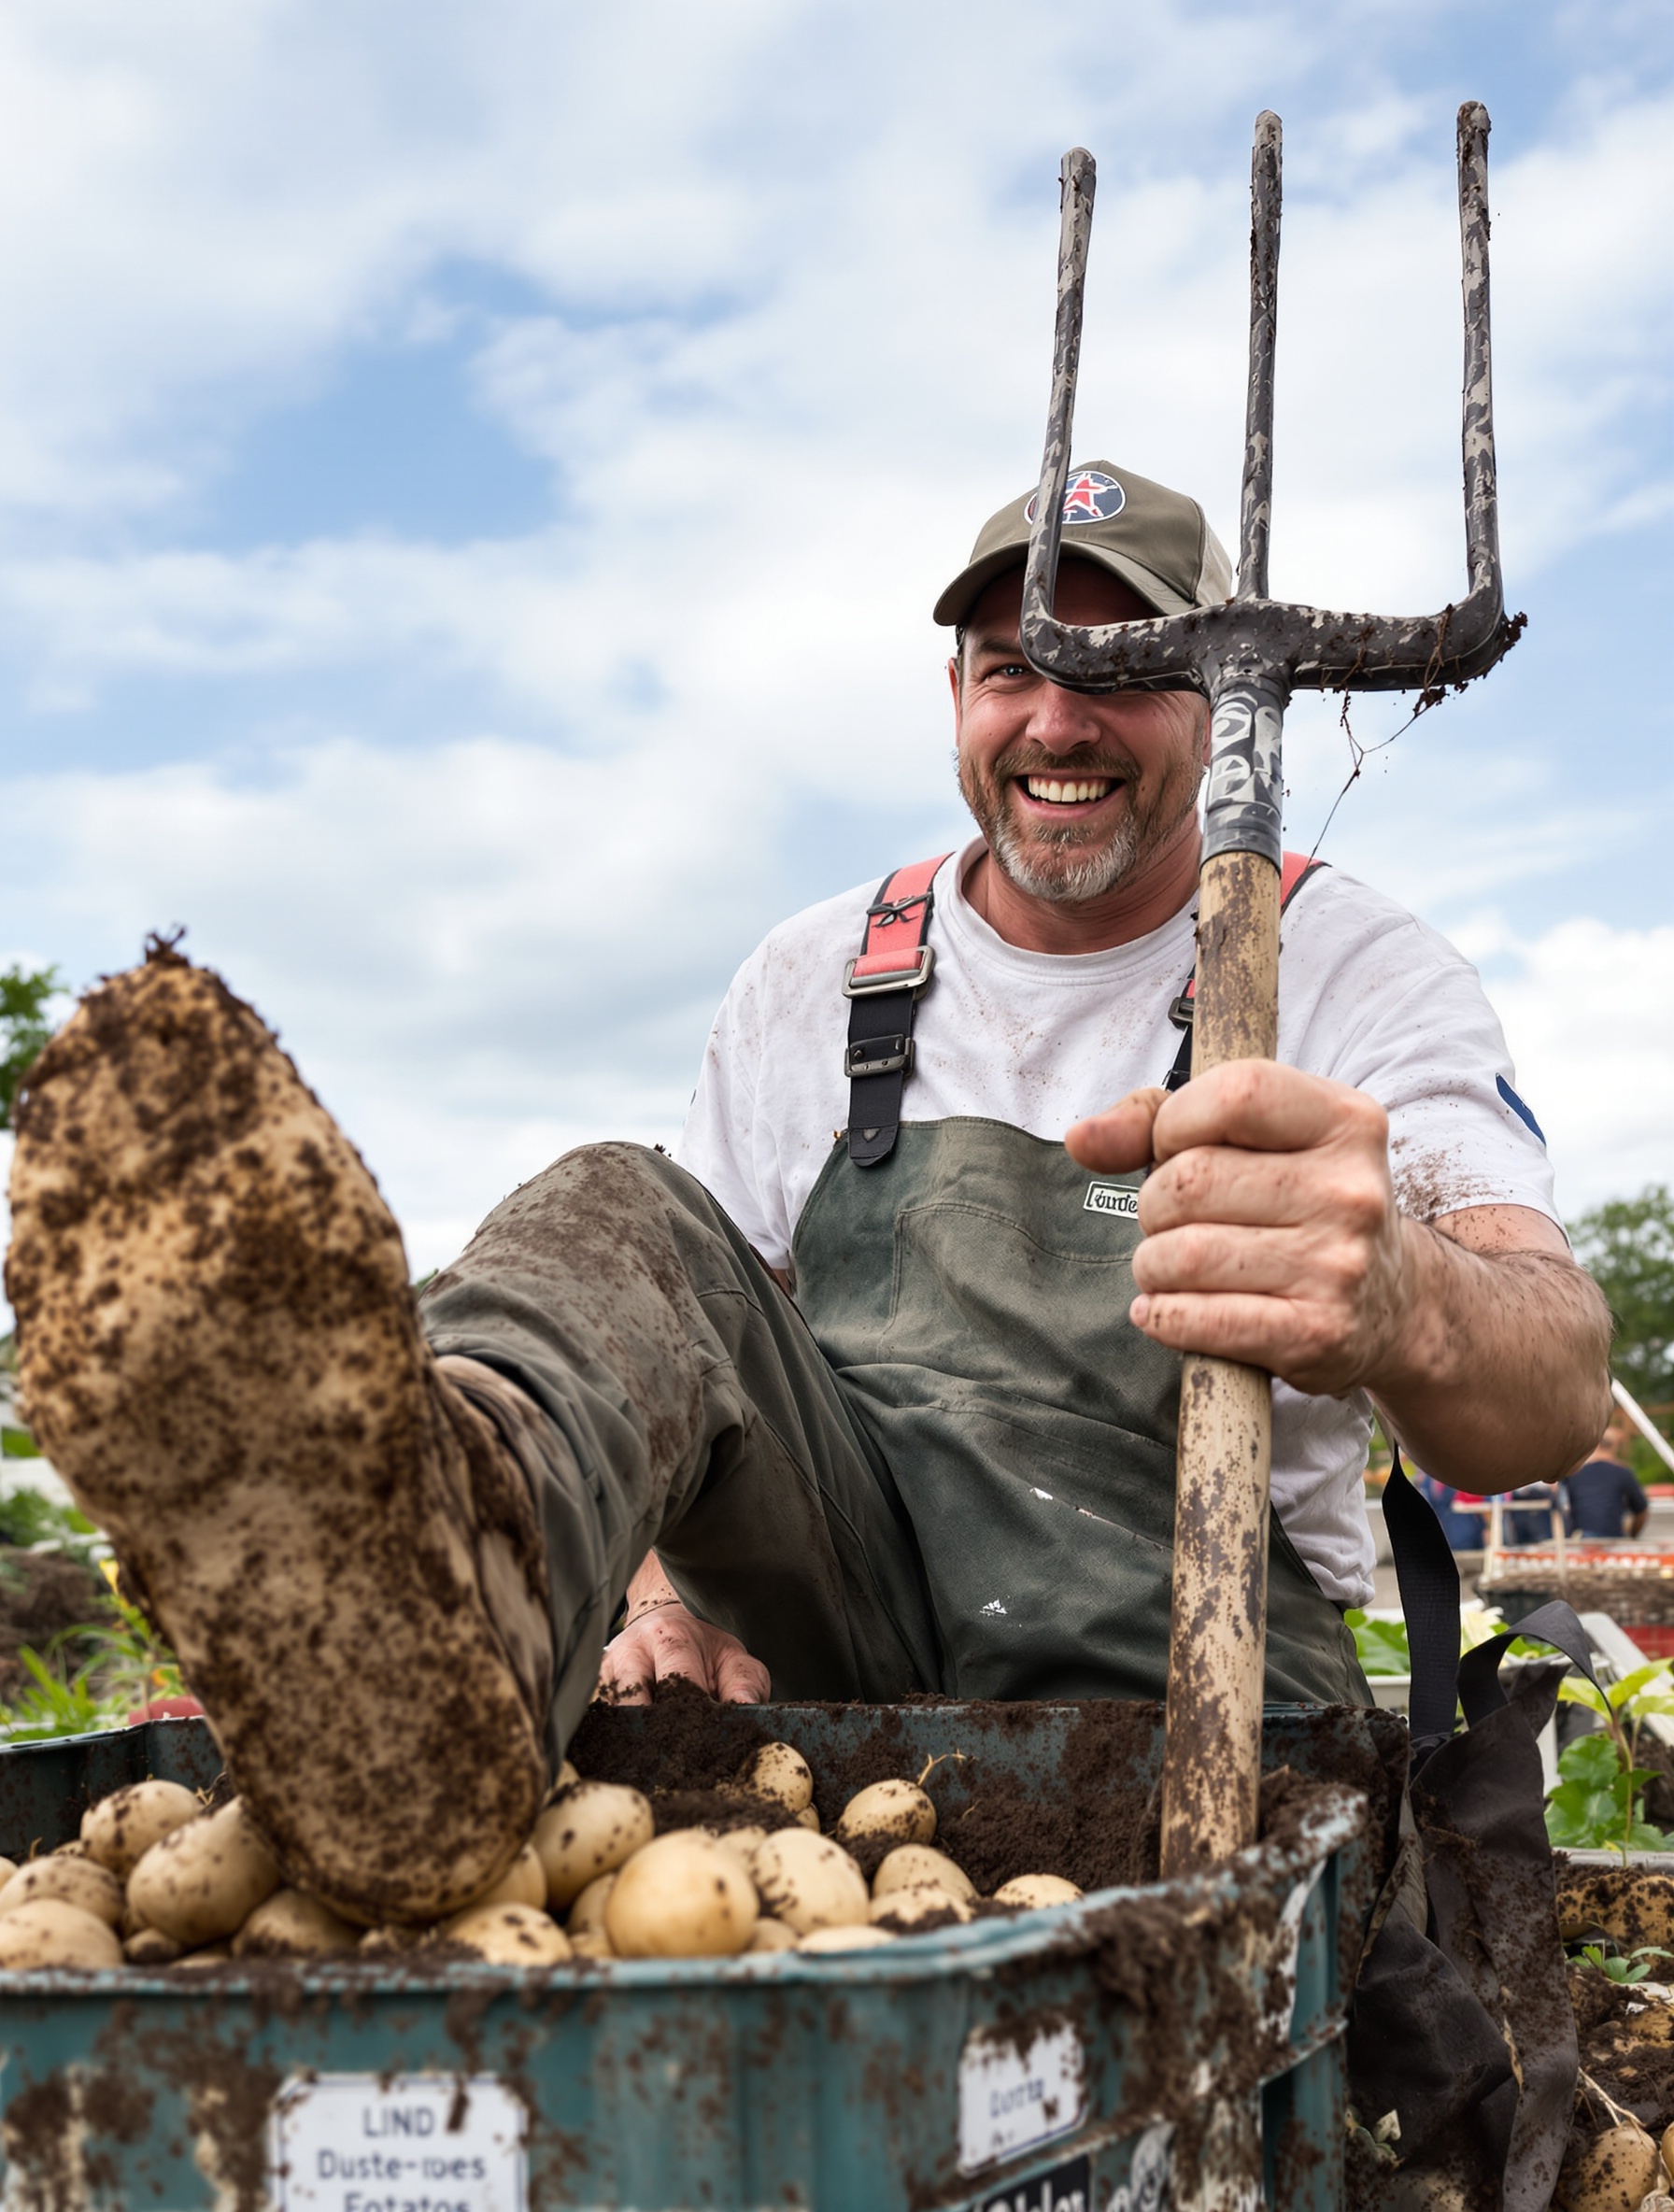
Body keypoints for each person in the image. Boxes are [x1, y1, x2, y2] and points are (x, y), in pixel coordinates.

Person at [3, 461, 1612, 1924]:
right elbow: (674, 1347)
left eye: (1122, 672)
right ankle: (438, 1602)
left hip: (1200, 1694)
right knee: (619, 1209)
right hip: (852, 1654)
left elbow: (1548, 1390)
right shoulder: (823, 974)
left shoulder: (1348, 971)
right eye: (1011, 669)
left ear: (1216, 706)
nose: (1056, 719)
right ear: (954, 695)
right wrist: (646, 1594)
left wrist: (1402, 1291)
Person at [1564, 1411, 1649, 1538]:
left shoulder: (1573, 1472)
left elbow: (1559, 1502)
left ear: (1594, 1445)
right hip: (1611, 1538)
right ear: (1615, 1446)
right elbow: (1642, 1512)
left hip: (1578, 1537)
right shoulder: (1622, 1473)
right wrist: (1633, 1536)